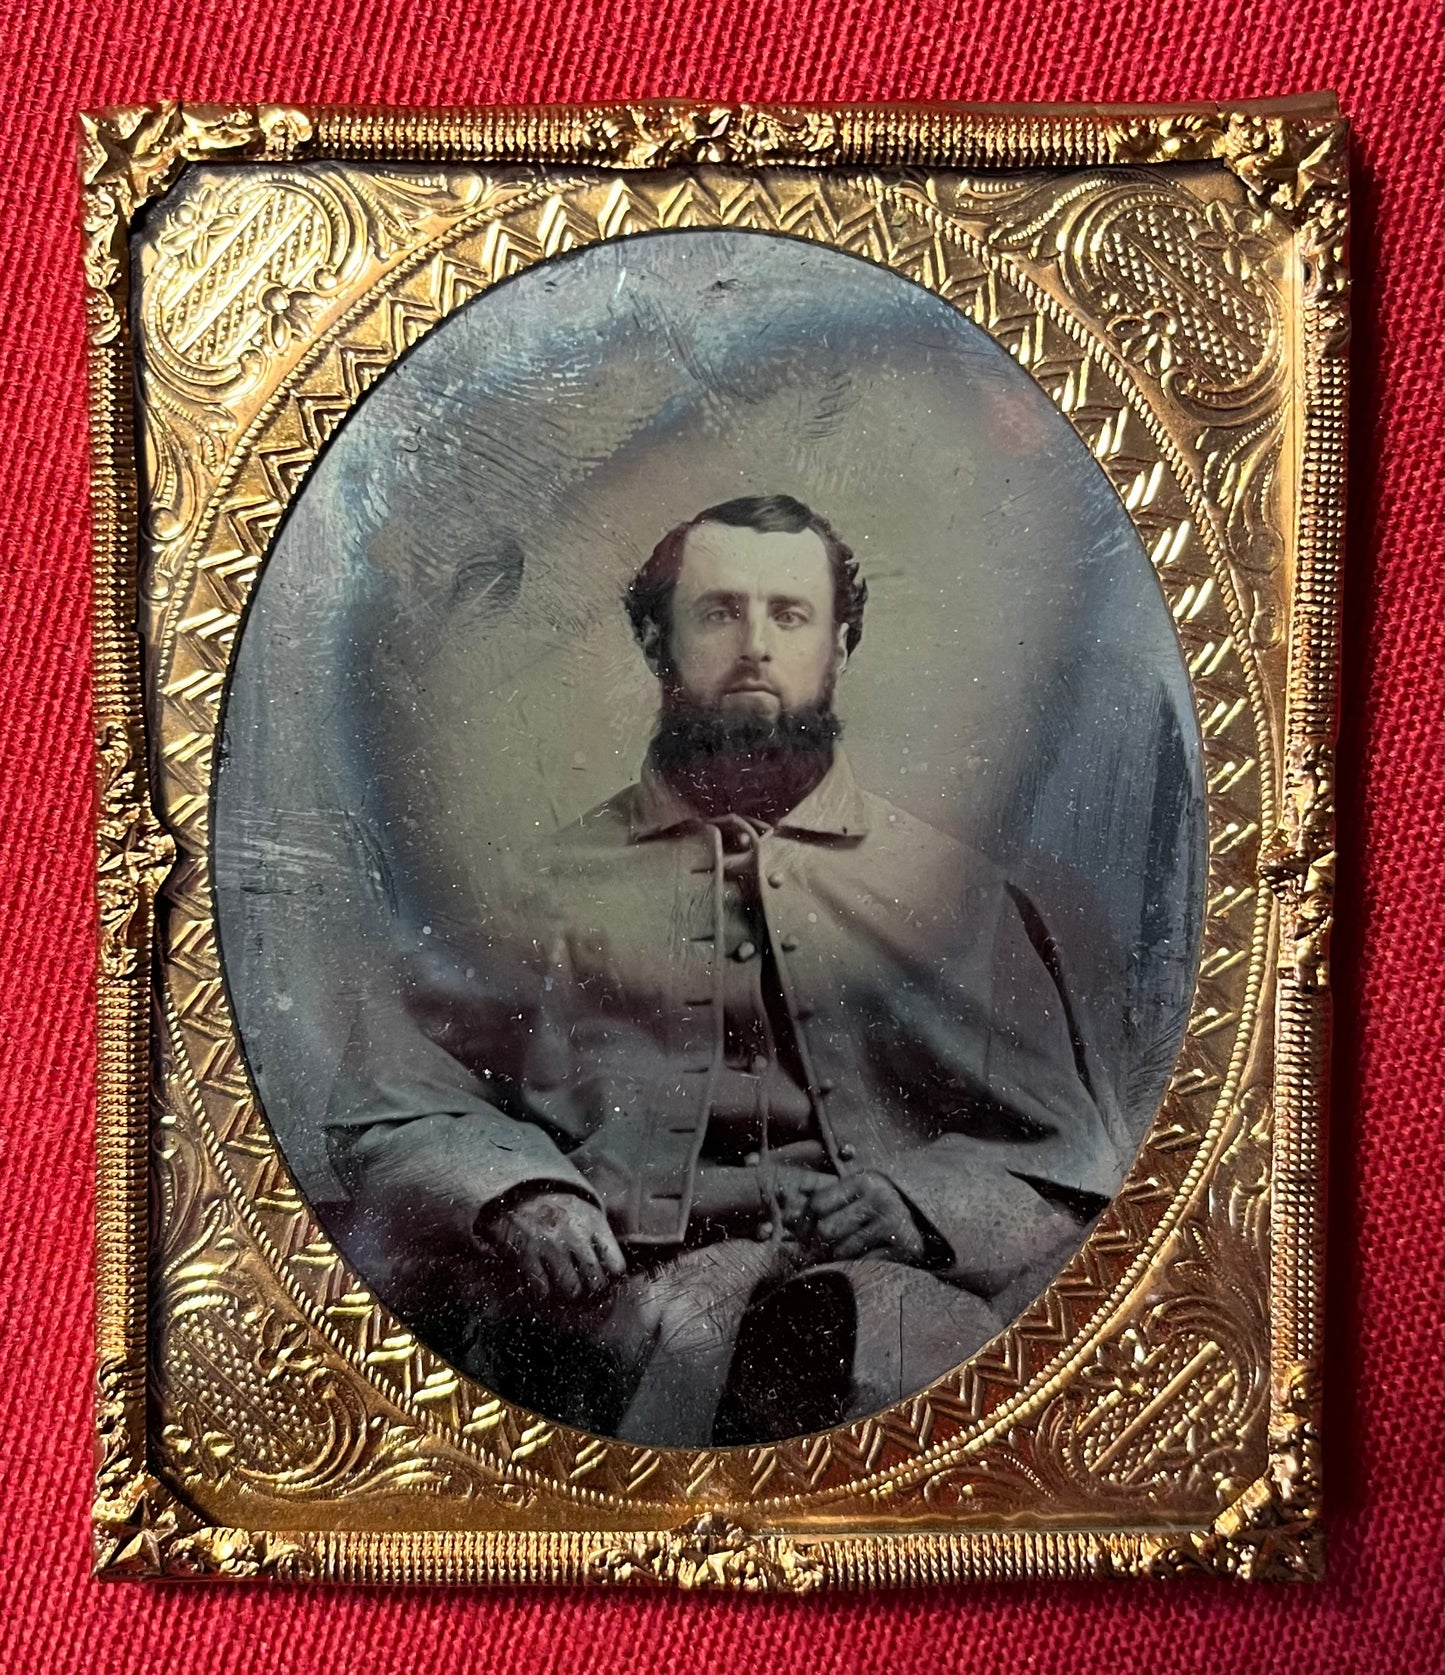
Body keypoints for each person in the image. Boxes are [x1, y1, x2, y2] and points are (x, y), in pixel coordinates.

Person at [326, 494, 1131, 1446]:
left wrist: (914, 1206)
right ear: (654, 641)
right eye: (716, 612)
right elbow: (390, 1100)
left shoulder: (953, 890)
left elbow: (1069, 1153)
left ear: (842, 644)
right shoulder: (539, 887)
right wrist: (518, 1190)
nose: (755, 645)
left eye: (789, 615)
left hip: (875, 1311)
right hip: (600, 1300)